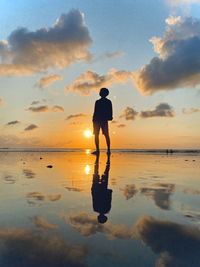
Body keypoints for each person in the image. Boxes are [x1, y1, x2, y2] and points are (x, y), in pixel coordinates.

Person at [91, 153, 112, 224]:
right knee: (96, 172)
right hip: (96, 189)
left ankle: (107, 160)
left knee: (105, 173)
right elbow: (93, 197)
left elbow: (109, 199)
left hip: (102, 190)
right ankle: (100, 160)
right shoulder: (95, 209)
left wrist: (110, 192)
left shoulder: (107, 209)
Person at [92, 88, 113, 155]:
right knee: (104, 135)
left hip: (99, 120)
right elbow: (95, 112)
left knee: (100, 135)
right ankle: (106, 150)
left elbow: (95, 112)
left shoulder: (100, 102)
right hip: (100, 120)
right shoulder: (100, 101)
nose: (100, 93)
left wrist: (93, 120)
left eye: (101, 92)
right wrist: (110, 117)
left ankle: (101, 150)